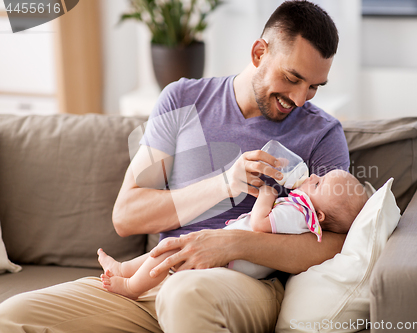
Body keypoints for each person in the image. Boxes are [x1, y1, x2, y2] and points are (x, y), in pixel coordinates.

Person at [0, 1, 351, 332]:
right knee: (13, 316)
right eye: (292, 78)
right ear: (259, 53)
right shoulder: (182, 99)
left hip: (241, 285)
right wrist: (224, 185)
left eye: (314, 87)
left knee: (184, 295)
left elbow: (337, 244)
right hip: (153, 280)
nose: (301, 99)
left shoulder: (322, 133)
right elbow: (127, 215)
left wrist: (233, 244)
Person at [97, 170, 368, 300]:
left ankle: (132, 287)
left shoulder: (300, 214)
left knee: (169, 251)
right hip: (229, 261)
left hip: (230, 262)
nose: (311, 177)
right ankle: (124, 268)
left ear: (319, 215)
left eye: (318, 183)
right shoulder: (304, 216)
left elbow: (261, 224)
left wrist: (267, 193)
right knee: (169, 251)